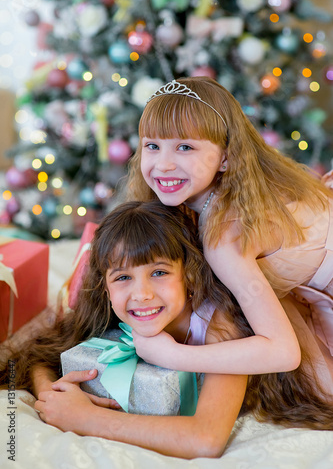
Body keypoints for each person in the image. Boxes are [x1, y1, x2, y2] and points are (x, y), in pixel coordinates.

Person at [1, 201, 333, 459]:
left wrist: (86, 420)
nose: (141, 294)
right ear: (105, 287)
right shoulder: (111, 307)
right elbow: (40, 354)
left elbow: (206, 439)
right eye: (123, 277)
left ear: (188, 275)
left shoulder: (220, 326)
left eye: (159, 272)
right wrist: (54, 394)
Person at [126, 76, 333, 390]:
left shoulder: (225, 238)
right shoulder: (232, 189)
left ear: (225, 157)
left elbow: (282, 352)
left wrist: (173, 355)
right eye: (152, 146)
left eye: (184, 147)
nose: (163, 164)